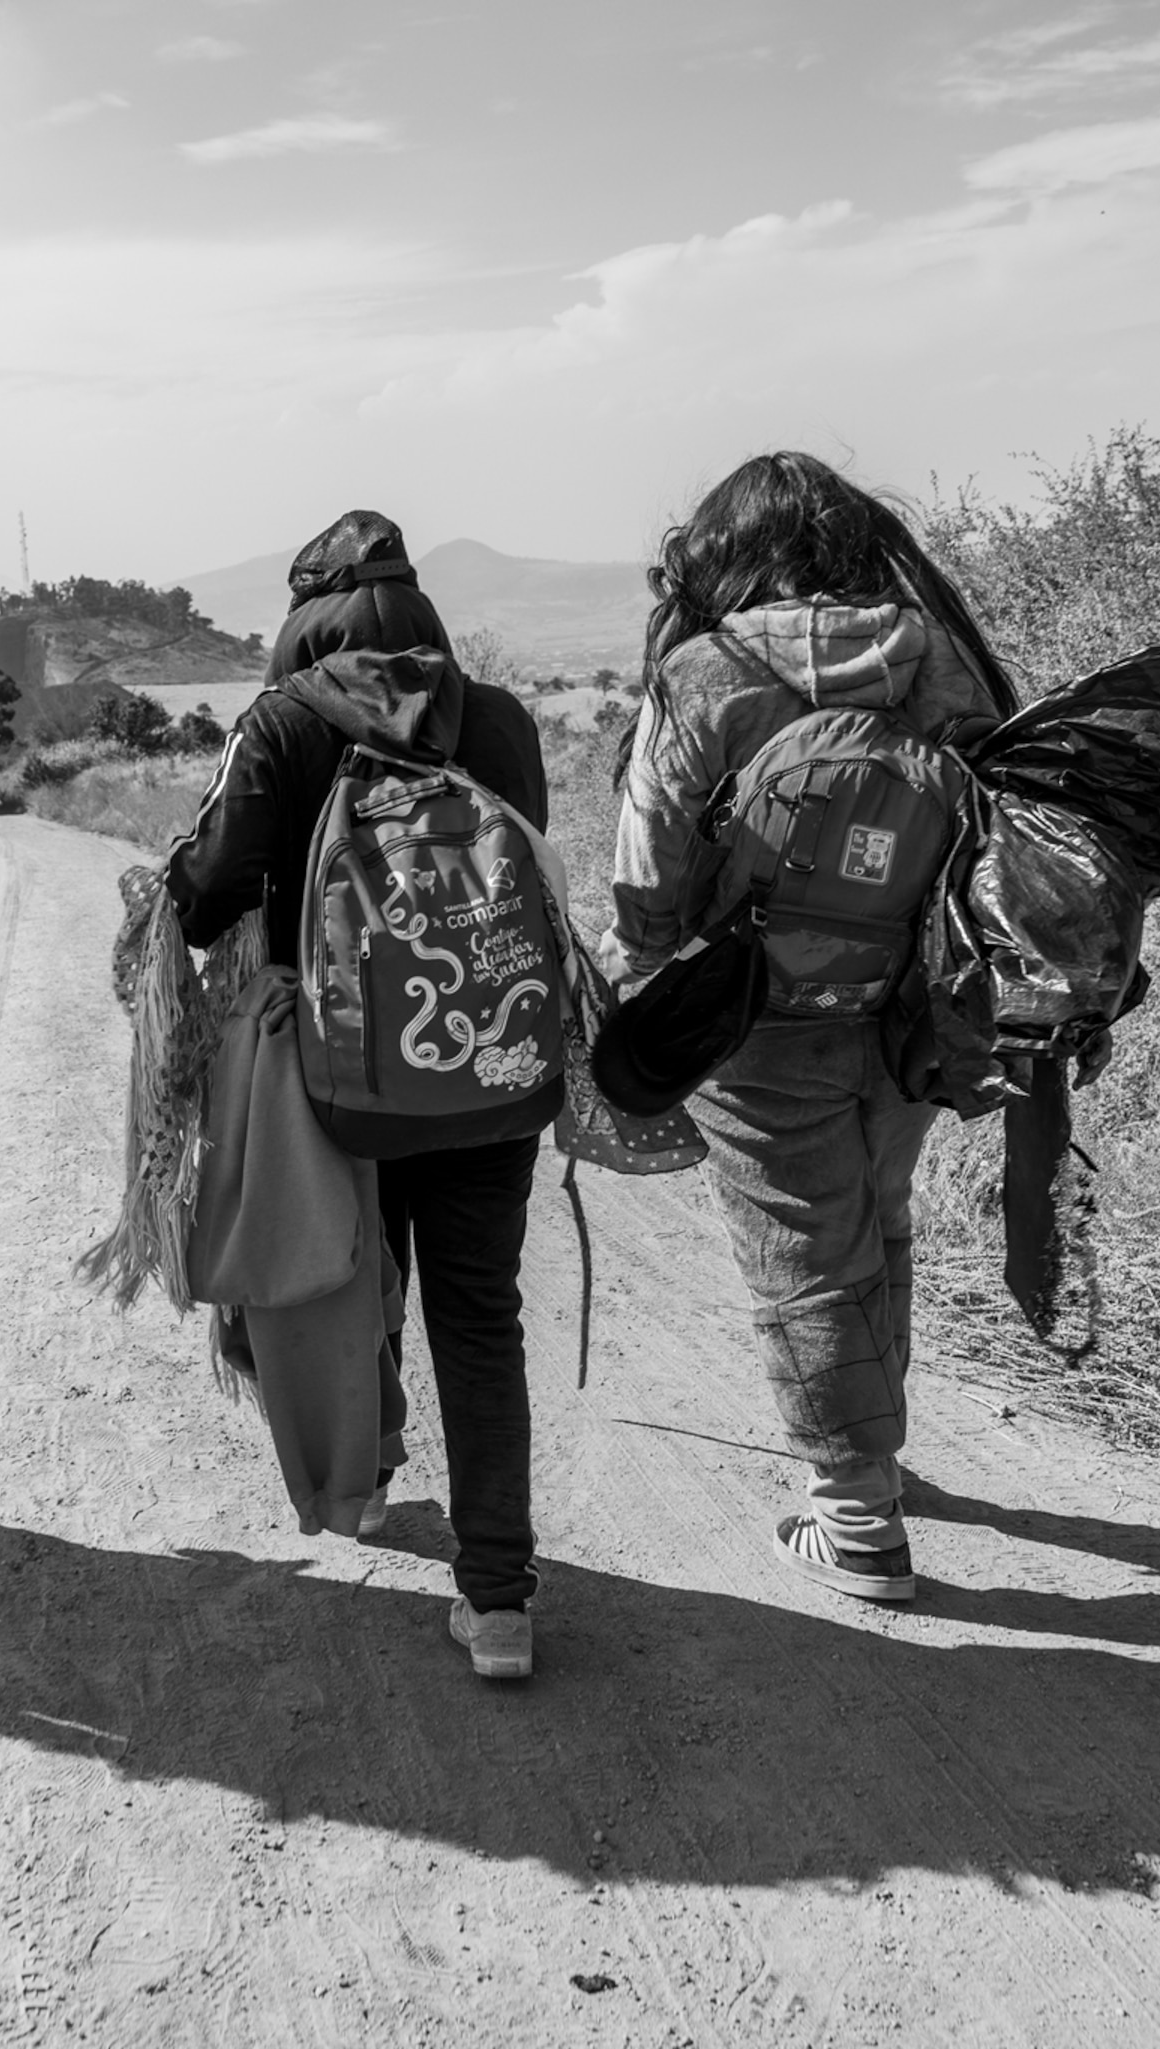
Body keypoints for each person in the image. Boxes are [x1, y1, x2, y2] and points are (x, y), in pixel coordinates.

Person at [599, 452, 1018, 1603]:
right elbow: (1003, 853)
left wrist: (644, 1002)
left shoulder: (704, 674)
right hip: (912, 1014)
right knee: (877, 1224)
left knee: (802, 1256)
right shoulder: (946, 660)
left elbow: (645, 884)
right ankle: (873, 1453)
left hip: (757, 1022)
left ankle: (858, 1521)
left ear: (729, 556)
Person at [164, 510, 558, 1680]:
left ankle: (370, 1488)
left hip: (344, 1079)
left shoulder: (285, 721)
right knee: (481, 1320)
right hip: (491, 1064)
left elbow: (203, 893)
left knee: (354, 1287)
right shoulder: (499, 721)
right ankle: (499, 1601)